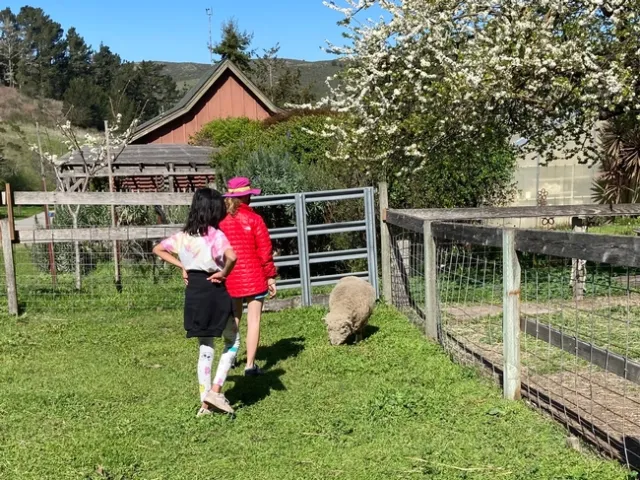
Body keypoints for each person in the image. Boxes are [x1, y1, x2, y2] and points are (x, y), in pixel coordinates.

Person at [152, 188, 239, 417]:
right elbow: (232, 257)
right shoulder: (216, 235)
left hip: (195, 292)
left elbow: (158, 249)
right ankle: (215, 392)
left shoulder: (183, 236)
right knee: (233, 341)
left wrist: (183, 265)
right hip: (215, 290)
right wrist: (224, 273)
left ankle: (204, 404)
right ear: (213, 210)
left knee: (205, 347)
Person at [220, 177, 277, 376]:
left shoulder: (221, 221)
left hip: (231, 276)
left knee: (235, 317)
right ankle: (250, 365)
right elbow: (264, 251)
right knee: (254, 320)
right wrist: (270, 277)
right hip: (254, 276)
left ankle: (231, 355)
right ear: (245, 197)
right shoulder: (255, 220)